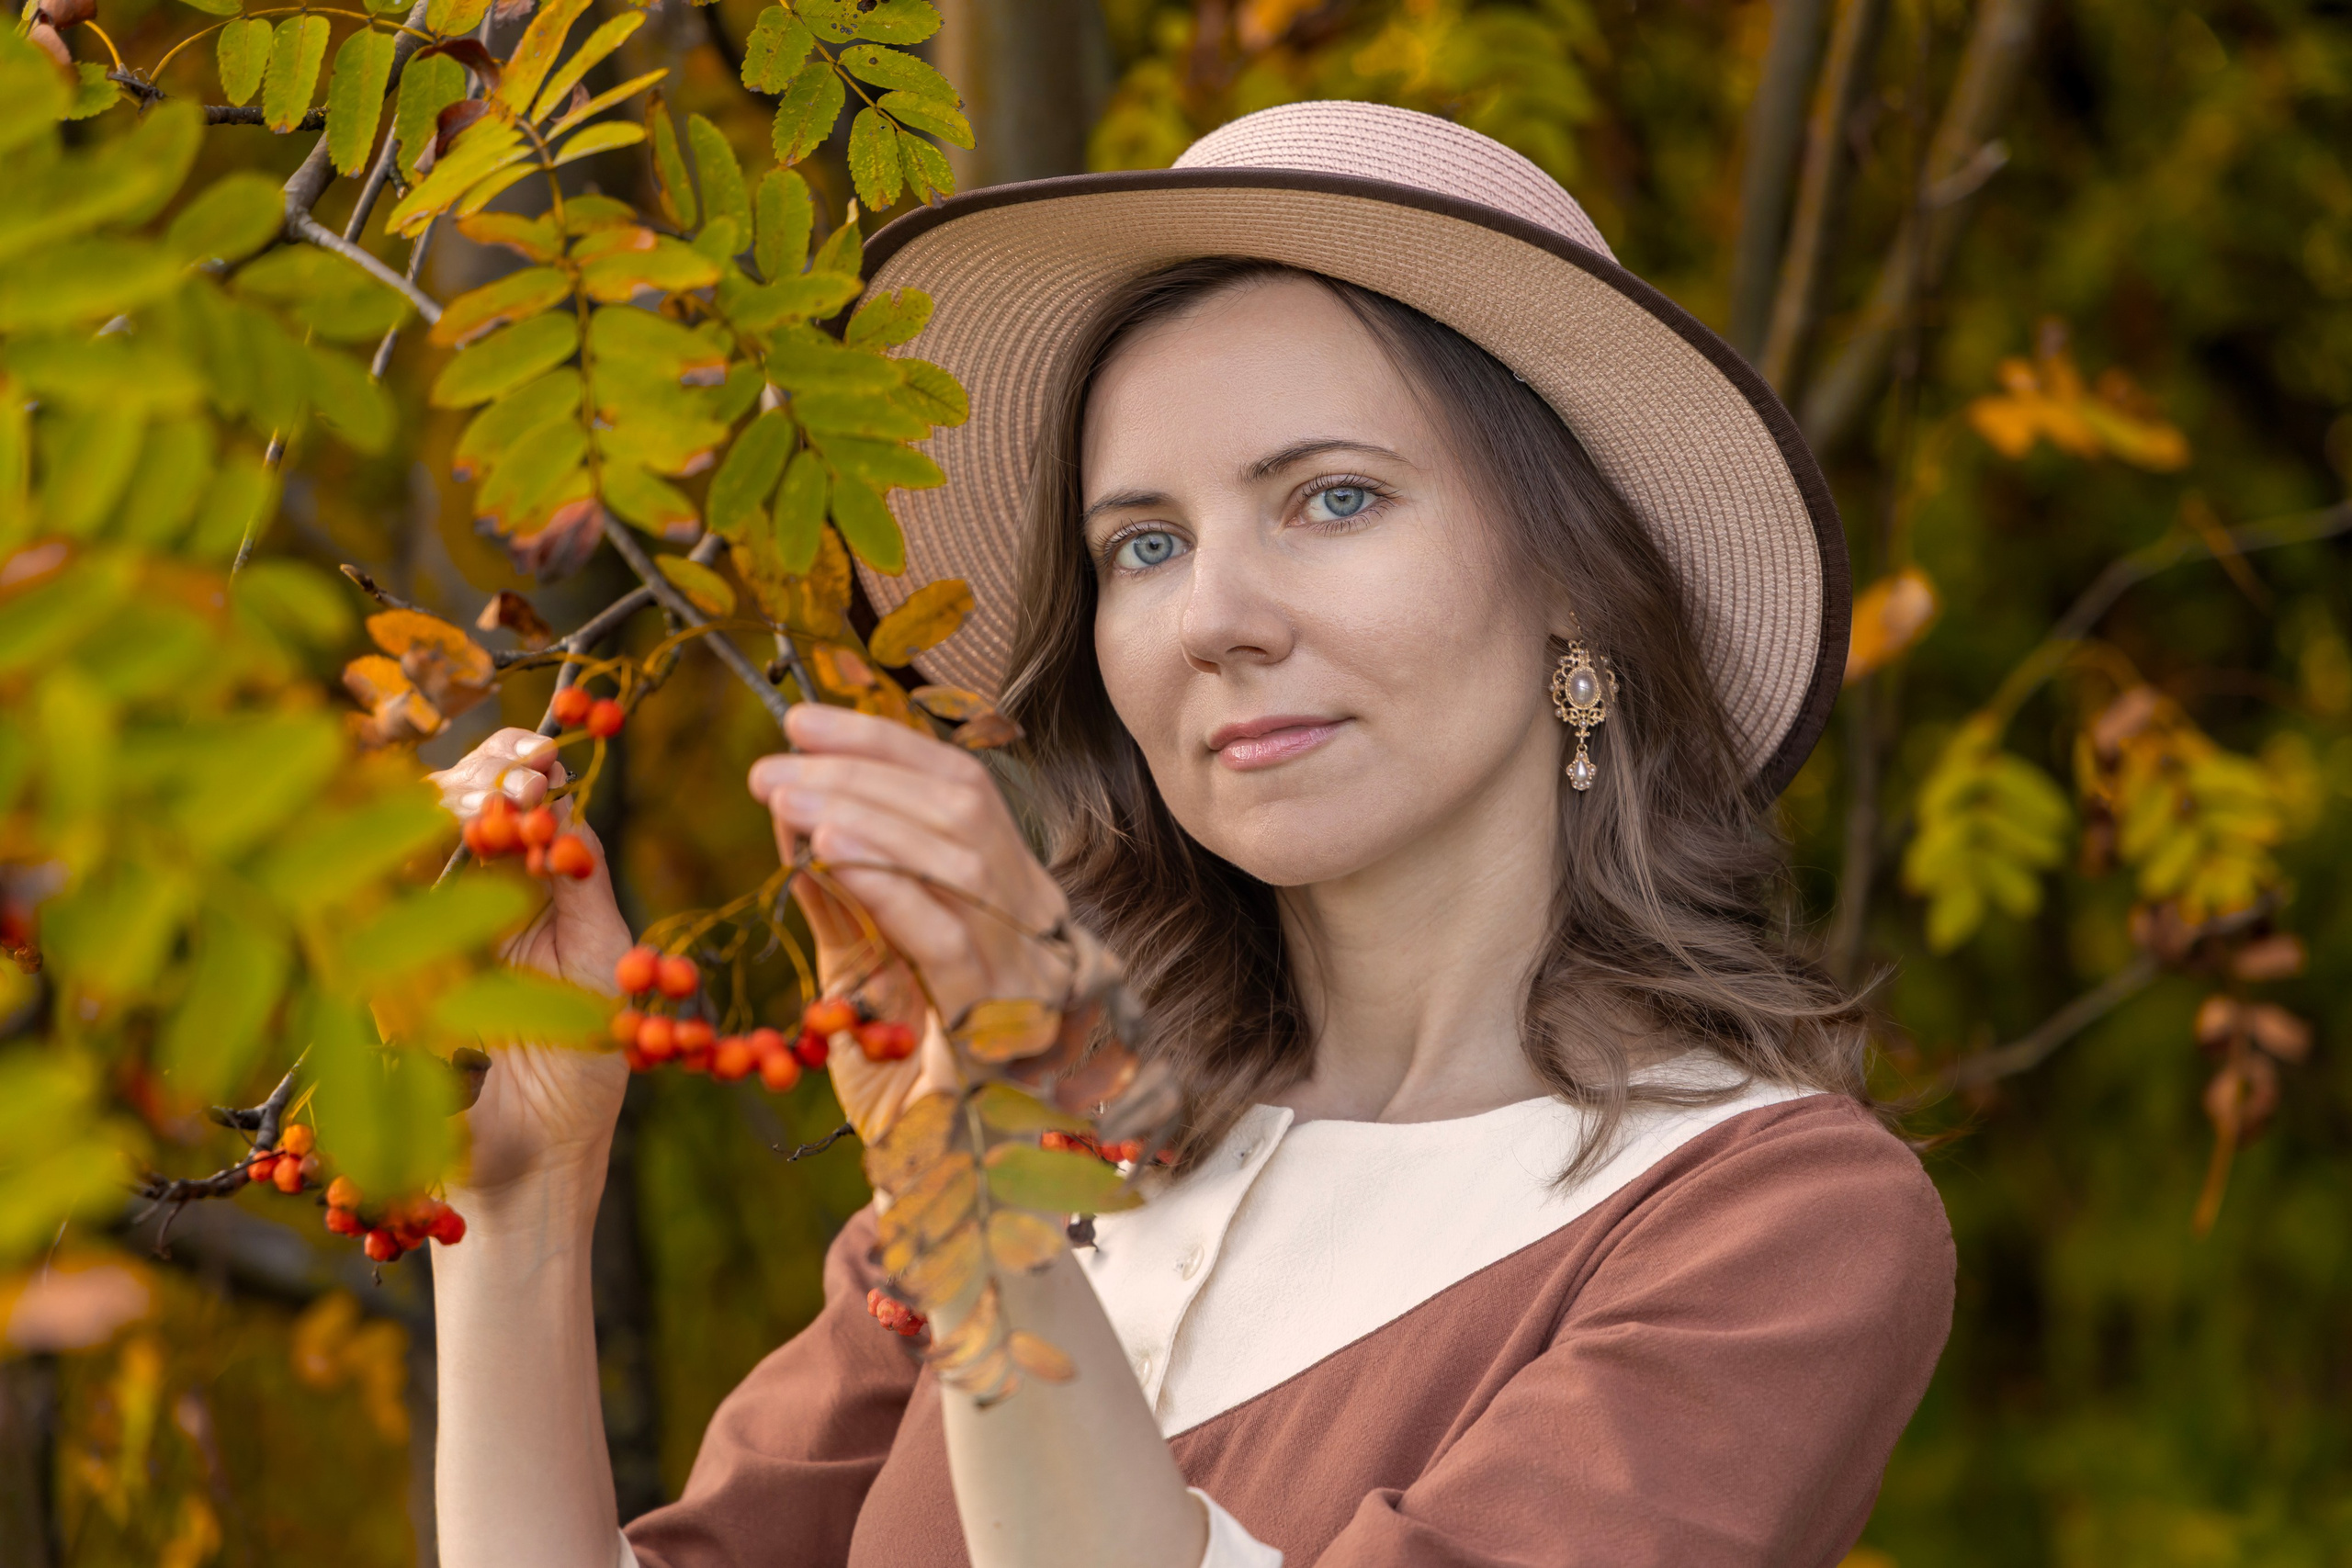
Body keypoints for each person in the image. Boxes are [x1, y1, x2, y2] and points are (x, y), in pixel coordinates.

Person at [424, 101, 1953, 1568]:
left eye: (1335, 500)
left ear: (1575, 578)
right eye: (1144, 546)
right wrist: (518, 1208)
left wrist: (995, 1202)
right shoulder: (1041, 1143)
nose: (1213, 619)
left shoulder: (1771, 1224)